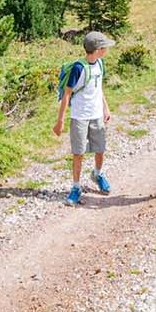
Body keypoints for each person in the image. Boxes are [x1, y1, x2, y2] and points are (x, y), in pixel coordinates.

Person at [53, 30, 114, 206]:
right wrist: (60, 120)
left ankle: (97, 173)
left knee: (100, 148)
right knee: (78, 153)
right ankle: (76, 186)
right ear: (97, 49)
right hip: (79, 116)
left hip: (96, 115)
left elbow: (99, 88)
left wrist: (105, 107)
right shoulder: (79, 68)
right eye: (105, 47)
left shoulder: (100, 64)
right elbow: (67, 95)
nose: (107, 50)